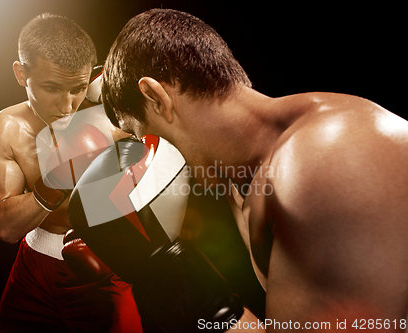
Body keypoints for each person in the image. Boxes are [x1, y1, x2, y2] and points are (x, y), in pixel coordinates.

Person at [101, 8, 408, 331]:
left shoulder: (323, 157)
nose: (150, 158)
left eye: (141, 135)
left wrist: (191, 292)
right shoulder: (245, 186)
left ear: (156, 97)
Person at [0, 13, 141, 332]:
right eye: (52, 87)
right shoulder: (3, 130)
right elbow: (6, 227)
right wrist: (53, 184)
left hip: (103, 269)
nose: (67, 106)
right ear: (21, 73)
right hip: (32, 272)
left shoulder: (117, 121)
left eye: (77, 89)